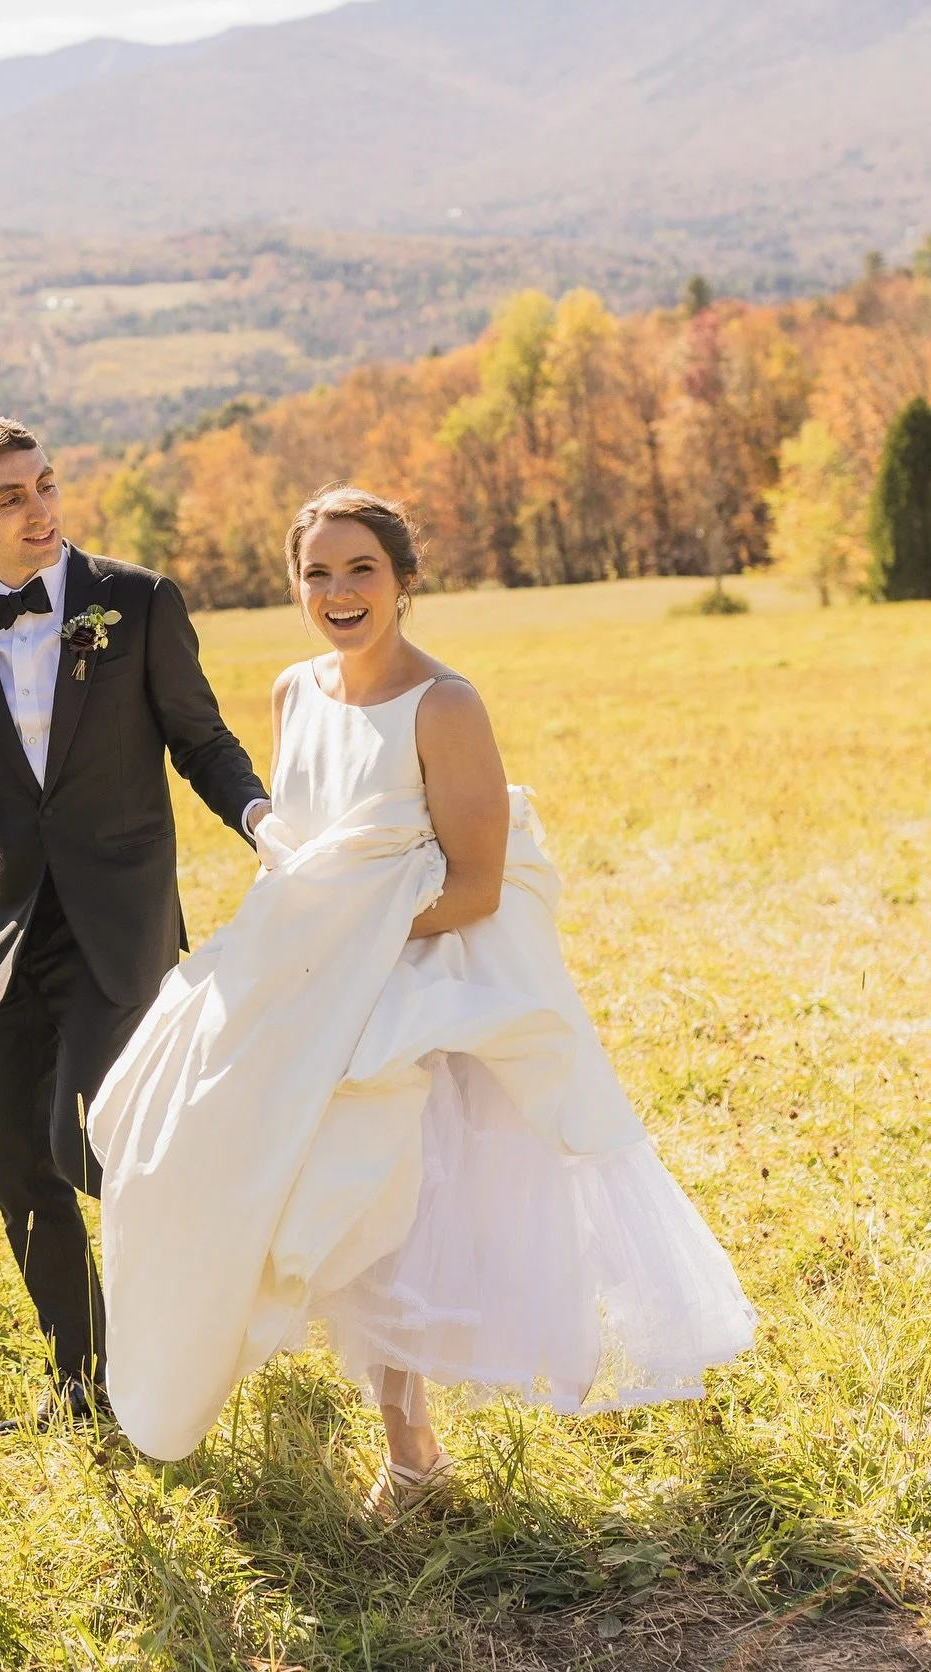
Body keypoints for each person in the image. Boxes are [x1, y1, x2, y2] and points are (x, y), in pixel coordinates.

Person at [88, 486, 755, 1506]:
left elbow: (476, 887)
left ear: (405, 581)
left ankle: (411, 1456)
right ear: (294, 583)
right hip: (315, 982)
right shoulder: (292, 693)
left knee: (391, 1199)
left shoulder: (445, 705)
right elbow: (310, 860)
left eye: (362, 569)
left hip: (419, 982)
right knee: (199, 1137)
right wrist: (293, 954)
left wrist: (349, 944)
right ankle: (282, 1398)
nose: (339, 591)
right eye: (318, 572)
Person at [0, 414, 269, 1430]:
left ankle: (202, 1308)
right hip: (9, 926)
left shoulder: (139, 601)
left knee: (94, 1146)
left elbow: (201, 738)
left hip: (123, 913)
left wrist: (259, 817)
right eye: (11, 496)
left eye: (47, 486)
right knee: (8, 1148)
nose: (39, 510)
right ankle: (87, 1378)